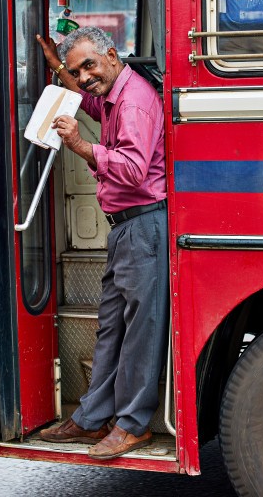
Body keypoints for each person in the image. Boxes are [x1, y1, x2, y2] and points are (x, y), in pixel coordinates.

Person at [36, 27, 169, 460]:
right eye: (77, 71)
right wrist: (57, 66)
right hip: (127, 229)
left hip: (143, 226)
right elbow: (89, 98)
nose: (84, 77)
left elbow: (131, 170)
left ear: (112, 55)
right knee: (113, 326)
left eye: (89, 66)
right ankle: (93, 417)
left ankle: (132, 425)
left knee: (139, 332)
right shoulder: (115, 89)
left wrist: (78, 144)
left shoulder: (133, 101)